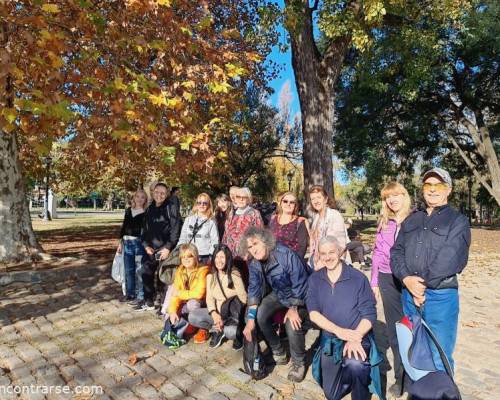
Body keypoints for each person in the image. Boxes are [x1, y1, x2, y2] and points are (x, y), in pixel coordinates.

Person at [391, 168, 471, 372]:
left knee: (439, 354)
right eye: (428, 185)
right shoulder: (412, 219)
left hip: (440, 297)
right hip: (409, 295)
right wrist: (407, 279)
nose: (433, 190)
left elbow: (452, 257)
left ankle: (442, 392)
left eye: (439, 185)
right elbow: (396, 252)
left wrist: (422, 286)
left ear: (449, 190)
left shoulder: (458, 221)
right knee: (414, 350)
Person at [307, 236, 382, 400]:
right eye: (323, 253)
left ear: (340, 252)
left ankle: (360, 388)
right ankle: (349, 375)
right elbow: (313, 313)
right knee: (332, 395)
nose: (328, 257)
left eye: (332, 252)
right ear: (318, 255)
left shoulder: (358, 278)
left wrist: (356, 337)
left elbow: (369, 313)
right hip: (331, 339)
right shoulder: (314, 279)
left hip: (358, 335)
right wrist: (339, 332)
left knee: (356, 365)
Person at [241, 227, 310, 383]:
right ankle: (278, 351)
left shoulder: (285, 255)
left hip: (301, 296)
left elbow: (302, 283)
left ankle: (299, 362)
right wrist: (250, 319)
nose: (253, 250)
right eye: (249, 247)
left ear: (265, 241)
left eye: (255, 244)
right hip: (280, 294)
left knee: (292, 322)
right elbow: (254, 290)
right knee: (259, 314)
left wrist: (294, 308)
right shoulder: (254, 262)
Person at [370, 182, 412, 396]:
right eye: (388, 197)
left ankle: (417, 375)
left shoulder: (415, 220)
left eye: (396, 195)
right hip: (387, 279)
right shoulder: (384, 222)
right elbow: (377, 253)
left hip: (410, 280)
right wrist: (374, 282)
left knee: (414, 329)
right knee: (396, 331)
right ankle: (400, 378)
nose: (392, 199)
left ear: (404, 196)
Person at [188, 244, 247, 350]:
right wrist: (214, 314)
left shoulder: (234, 275)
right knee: (192, 316)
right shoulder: (211, 276)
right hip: (217, 313)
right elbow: (209, 299)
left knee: (230, 332)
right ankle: (217, 328)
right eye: (217, 257)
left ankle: (225, 330)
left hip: (231, 315)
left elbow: (244, 299)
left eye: (222, 257)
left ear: (227, 259)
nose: (219, 261)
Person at [138, 182, 181, 311]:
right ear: (153, 193)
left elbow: (175, 229)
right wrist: (145, 245)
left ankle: (163, 305)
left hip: (165, 249)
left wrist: (168, 247)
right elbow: (143, 230)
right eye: (157, 192)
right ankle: (149, 301)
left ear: (166, 194)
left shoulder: (170, 207)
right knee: (146, 273)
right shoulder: (150, 208)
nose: (159, 195)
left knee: (163, 277)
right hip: (150, 248)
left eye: (162, 193)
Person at [160, 244, 210, 348]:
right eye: (183, 257)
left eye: (189, 256)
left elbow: (198, 294)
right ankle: (188, 325)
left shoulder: (203, 270)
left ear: (195, 256)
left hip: (203, 304)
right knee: (169, 318)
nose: (186, 259)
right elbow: (175, 295)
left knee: (193, 303)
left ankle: (200, 327)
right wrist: (172, 311)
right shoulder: (180, 270)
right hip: (185, 301)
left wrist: (179, 293)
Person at [309, 185, 351, 269]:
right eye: (313, 199)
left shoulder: (334, 215)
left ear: (325, 199)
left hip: (334, 264)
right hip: (317, 263)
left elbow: (341, 244)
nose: (316, 201)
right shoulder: (316, 218)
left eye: (318, 197)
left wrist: (324, 263)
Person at [118, 189, 148, 303]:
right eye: (137, 196)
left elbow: (146, 231)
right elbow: (124, 227)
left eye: (142, 197)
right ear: (134, 198)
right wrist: (120, 243)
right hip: (127, 243)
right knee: (129, 270)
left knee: (139, 270)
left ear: (145, 200)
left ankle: (140, 295)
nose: (139, 199)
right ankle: (130, 294)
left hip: (138, 244)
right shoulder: (128, 211)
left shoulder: (146, 212)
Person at [177, 193, 219, 264]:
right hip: (188, 255)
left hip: (204, 257)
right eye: (199, 203)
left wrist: (211, 256)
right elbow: (183, 237)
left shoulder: (211, 221)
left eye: (205, 203)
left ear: (209, 205)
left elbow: (215, 241)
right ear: (196, 204)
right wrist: (180, 251)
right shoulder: (188, 219)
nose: (201, 205)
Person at [222, 187, 263, 257]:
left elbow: (260, 234)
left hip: (247, 255)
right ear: (235, 199)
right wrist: (223, 250)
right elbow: (226, 234)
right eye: (238, 197)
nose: (241, 199)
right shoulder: (231, 213)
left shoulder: (254, 213)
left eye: (244, 197)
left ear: (248, 199)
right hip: (230, 255)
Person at [269, 191, 309, 259]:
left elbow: (302, 248)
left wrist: (293, 264)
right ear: (281, 203)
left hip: (291, 263)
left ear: (295, 206)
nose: (288, 204)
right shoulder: (273, 219)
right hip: (273, 261)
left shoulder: (300, 222)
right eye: (285, 201)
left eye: (292, 202)